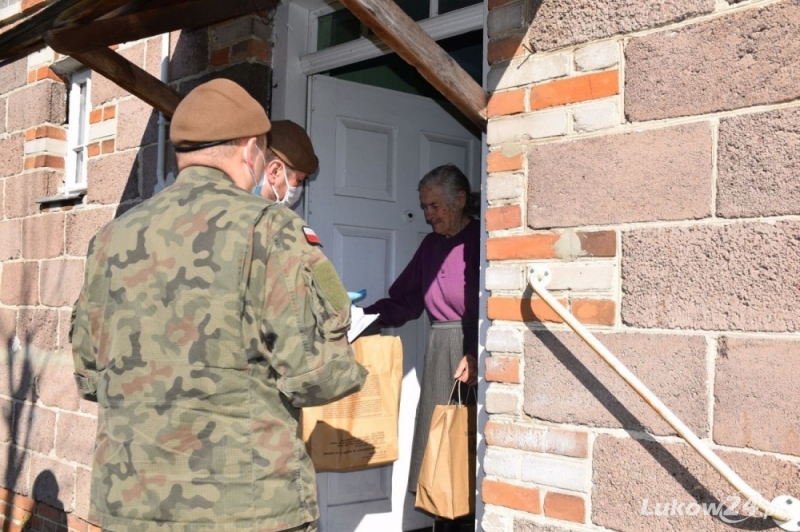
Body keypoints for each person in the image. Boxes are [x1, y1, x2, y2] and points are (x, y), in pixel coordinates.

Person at [70, 79, 367, 532]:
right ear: (251, 151)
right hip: (243, 506)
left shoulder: (110, 238)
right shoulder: (269, 228)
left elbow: (90, 378)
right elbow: (318, 376)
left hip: (129, 503)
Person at [363, 163, 479, 532]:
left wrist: (475, 353)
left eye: (434, 206)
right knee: (439, 453)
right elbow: (405, 302)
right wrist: (359, 319)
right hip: (439, 350)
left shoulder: (482, 240)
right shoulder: (430, 247)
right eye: (425, 206)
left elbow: (488, 303)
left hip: (470, 352)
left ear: (459, 201)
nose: (427, 215)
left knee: (466, 451)